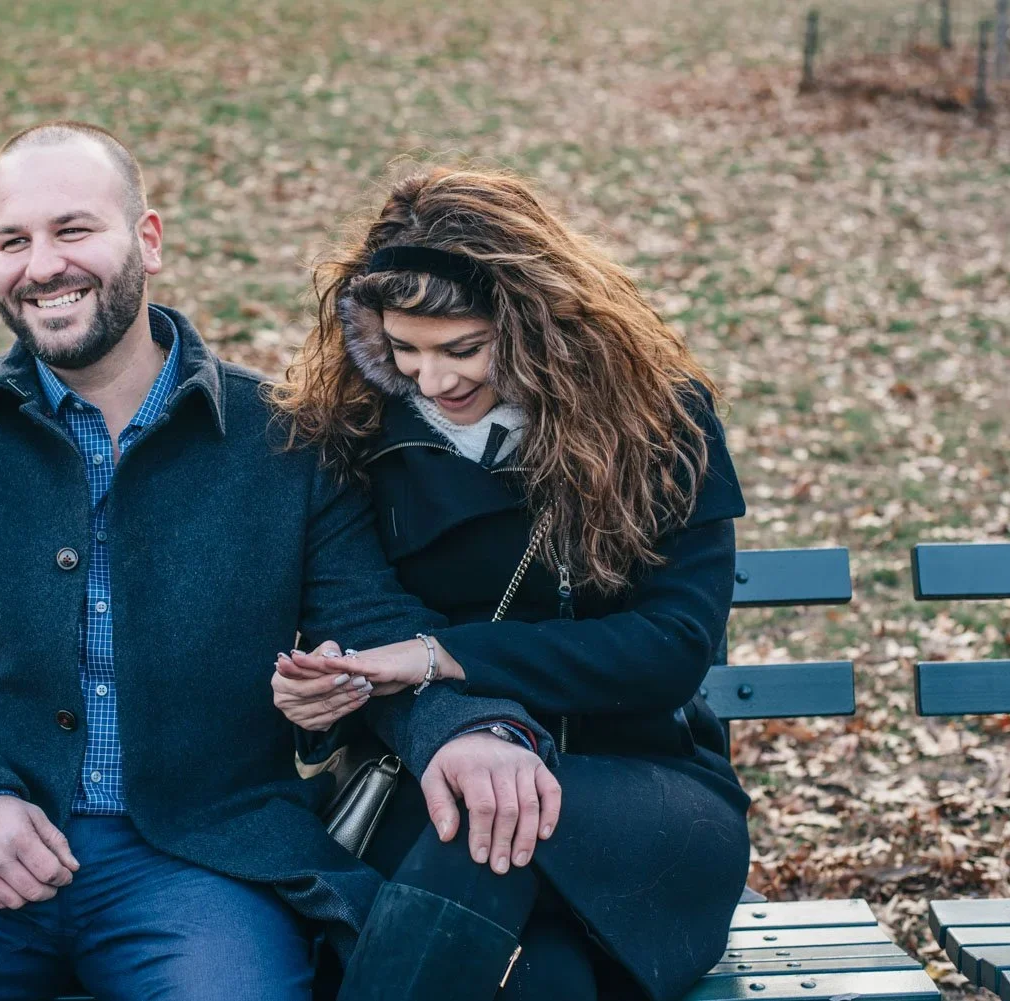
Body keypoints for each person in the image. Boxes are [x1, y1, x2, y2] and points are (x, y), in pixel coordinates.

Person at [0, 122, 563, 1001]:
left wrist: (465, 728)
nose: (42, 265)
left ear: (147, 241)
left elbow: (369, 629)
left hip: (205, 860)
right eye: (13, 240)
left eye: (73, 230)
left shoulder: (281, 438)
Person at [269, 165, 751, 1001]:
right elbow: (345, 619)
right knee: (541, 970)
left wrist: (441, 657)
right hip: (428, 787)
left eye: (463, 348)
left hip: (649, 794)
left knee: (497, 819)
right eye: (404, 350)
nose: (434, 381)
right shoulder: (354, 433)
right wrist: (327, 691)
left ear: (536, 323)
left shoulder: (661, 424)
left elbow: (671, 651)